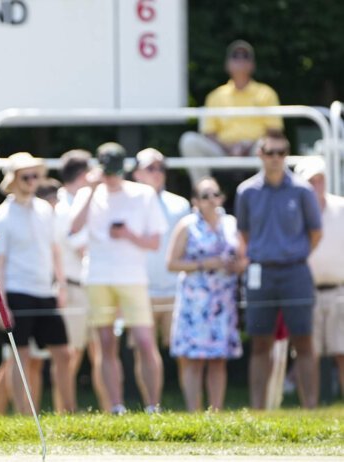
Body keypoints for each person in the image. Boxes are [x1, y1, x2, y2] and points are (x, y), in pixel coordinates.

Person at [69, 142, 167, 415]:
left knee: (145, 342)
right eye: (107, 171)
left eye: (114, 171)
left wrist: (129, 236)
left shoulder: (143, 194)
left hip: (132, 277)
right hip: (98, 277)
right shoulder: (88, 193)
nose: (111, 177)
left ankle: (152, 406)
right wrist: (89, 190)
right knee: (105, 344)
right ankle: (115, 406)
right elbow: (73, 227)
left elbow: (155, 242)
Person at [235, 132, 322, 409]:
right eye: (270, 152)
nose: (276, 158)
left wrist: (292, 254)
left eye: (281, 152)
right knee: (260, 343)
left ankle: (310, 409)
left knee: (304, 342)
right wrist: (267, 253)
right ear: (260, 155)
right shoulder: (246, 192)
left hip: (296, 272)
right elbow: (244, 233)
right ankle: (258, 411)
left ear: (286, 155)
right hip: (261, 273)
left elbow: (315, 233)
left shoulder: (302, 190)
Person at [0, 152, 74, 415]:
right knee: (20, 357)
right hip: (17, 292)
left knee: (64, 354)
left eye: (35, 175)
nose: (32, 180)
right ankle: (24, 416)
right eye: (26, 176)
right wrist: (0, 306)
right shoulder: (1, 216)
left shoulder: (45, 210)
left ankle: (69, 413)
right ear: (13, 179)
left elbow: (55, 250)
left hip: (45, 292)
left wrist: (61, 285)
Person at [166, 178, 246, 411]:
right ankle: (194, 413)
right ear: (196, 201)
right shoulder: (187, 225)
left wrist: (235, 265)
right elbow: (171, 263)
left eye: (215, 194)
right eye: (205, 196)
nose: (212, 200)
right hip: (195, 302)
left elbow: (244, 258)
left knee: (218, 359)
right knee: (194, 359)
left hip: (223, 300)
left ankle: (215, 413)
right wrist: (207, 262)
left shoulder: (231, 223)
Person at [178, 40, 284, 187]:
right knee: (189, 140)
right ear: (227, 64)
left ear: (252, 65)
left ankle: (268, 195)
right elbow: (209, 133)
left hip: (255, 150)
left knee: (269, 146)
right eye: (235, 56)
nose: (240, 60)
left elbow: (274, 130)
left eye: (245, 57)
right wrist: (230, 148)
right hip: (222, 150)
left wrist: (246, 147)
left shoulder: (266, 93)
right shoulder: (216, 96)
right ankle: (204, 193)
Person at [131, 148, 191, 401]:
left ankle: (193, 410)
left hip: (176, 290)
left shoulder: (181, 205)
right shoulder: (128, 203)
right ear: (137, 174)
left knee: (185, 353)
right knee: (143, 352)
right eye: (150, 168)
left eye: (161, 168)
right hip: (140, 290)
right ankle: (151, 408)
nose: (157, 173)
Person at [53, 149, 109, 412]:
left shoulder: (87, 203)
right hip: (74, 289)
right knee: (71, 355)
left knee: (102, 352)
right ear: (83, 175)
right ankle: (65, 413)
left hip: (94, 287)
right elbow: (81, 248)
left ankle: (111, 410)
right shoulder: (63, 207)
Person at [294, 157, 344, 400]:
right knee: (307, 353)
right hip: (306, 291)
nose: (316, 185)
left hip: (340, 291)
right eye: (310, 181)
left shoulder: (342, 207)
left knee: (343, 354)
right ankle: (309, 411)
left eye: (320, 179)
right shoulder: (293, 212)